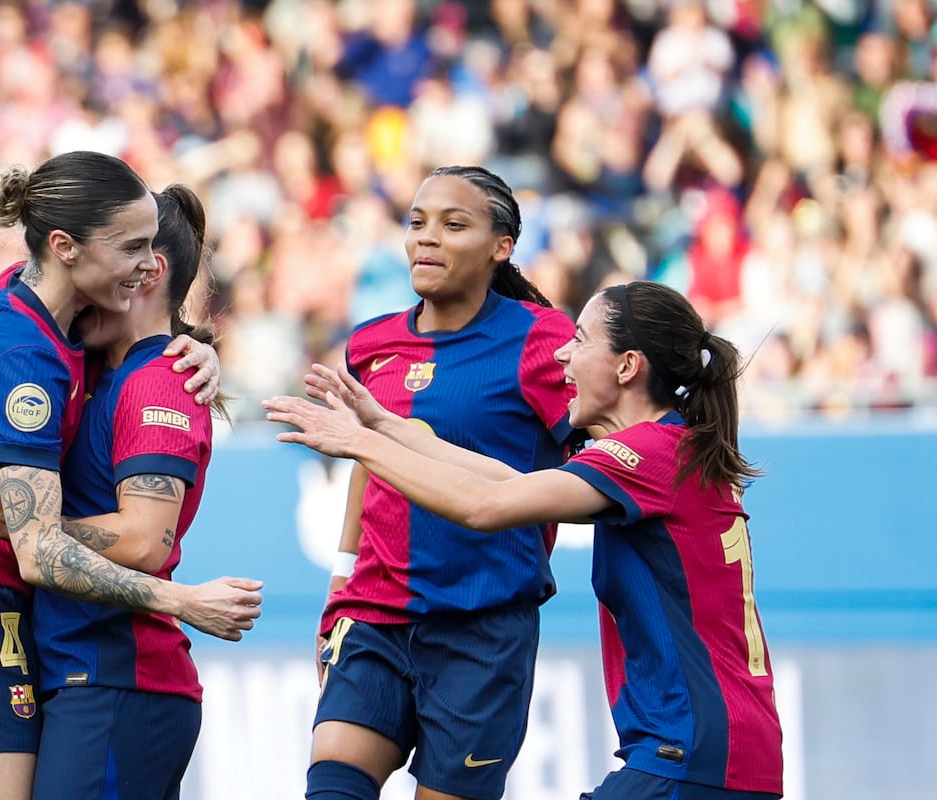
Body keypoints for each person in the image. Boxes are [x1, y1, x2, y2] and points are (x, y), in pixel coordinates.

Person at [264, 279, 784, 800]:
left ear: (627, 366)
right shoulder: (665, 449)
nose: (563, 353)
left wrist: (358, 443)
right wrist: (389, 428)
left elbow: (483, 506)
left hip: (690, 758)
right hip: (713, 754)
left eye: (580, 340)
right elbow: (511, 485)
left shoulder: (649, 452)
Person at [0, 151, 263, 800]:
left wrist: (189, 345)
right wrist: (185, 601)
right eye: (130, 249)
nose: (147, 268)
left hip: (2, 626)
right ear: (67, 250)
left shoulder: (23, 301)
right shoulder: (35, 355)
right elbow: (39, 546)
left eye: (151, 253)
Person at [297, 165, 582, 800]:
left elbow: (596, 464)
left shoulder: (545, 340)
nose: (427, 239)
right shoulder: (372, 343)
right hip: (375, 612)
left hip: (483, 624)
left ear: (500, 246)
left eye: (454, 225)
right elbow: (367, 462)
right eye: (418, 223)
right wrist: (340, 584)